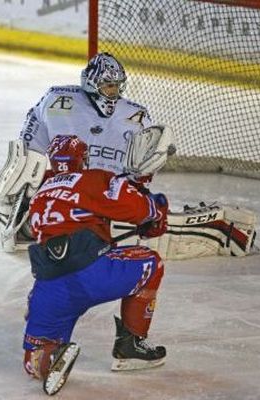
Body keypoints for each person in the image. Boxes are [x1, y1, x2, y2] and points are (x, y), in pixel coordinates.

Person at [22, 135, 168, 396]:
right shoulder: (91, 178)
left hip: (48, 286)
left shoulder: (40, 192)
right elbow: (136, 209)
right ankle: (131, 347)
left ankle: (48, 356)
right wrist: (156, 209)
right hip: (94, 273)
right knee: (151, 264)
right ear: (82, 159)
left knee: (34, 359)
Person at [0, 52, 154, 252]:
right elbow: (26, 153)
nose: (114, 92)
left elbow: (142, 170)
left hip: (106, 191)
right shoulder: (57, 99)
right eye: (109, 86)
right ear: (92, 84)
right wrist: (19, 197)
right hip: (73, 189)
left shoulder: (137, 115)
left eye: (118, 86)